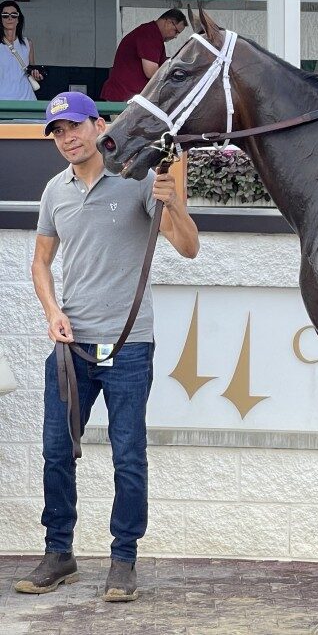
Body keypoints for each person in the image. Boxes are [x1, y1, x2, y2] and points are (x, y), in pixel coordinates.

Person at [15, 91, 199, 602]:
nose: (67, 138)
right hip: (71, 349)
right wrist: (53, 313)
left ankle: (123, 560)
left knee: (128, 455)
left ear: (98, 125)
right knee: (56, 452)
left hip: (128, 346)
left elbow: (188, 247)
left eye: (75, 126)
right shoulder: (55, 192)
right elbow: (40, 262)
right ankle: (60, 553)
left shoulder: (139, 181)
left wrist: (172, 199)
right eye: (57, 132)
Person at [100, 9, 187, 101]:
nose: (175, 36)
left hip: (127, 96)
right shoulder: (150, 35)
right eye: (176, 31)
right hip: (125, 97)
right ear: (169, 22)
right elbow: (151, 72)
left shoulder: (149, 32)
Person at [1, 0, 44, 100]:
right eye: (5, 15)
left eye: (14, 15)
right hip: (2, 100)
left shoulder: (27, 43)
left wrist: (36, 75)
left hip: (26, 99)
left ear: (18, 19)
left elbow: (31, 70)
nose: (10, 18)